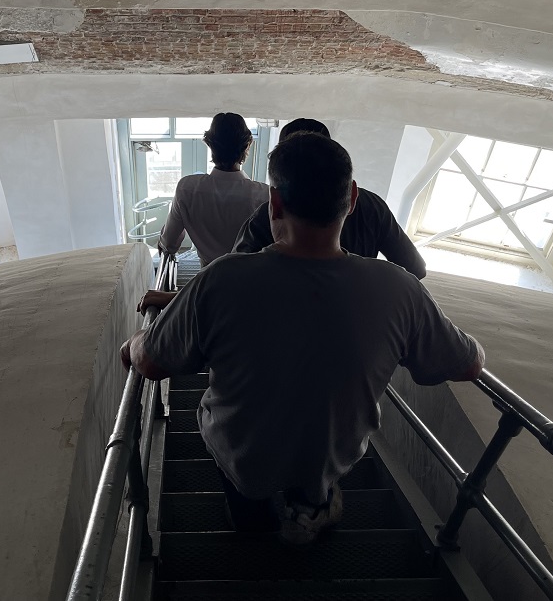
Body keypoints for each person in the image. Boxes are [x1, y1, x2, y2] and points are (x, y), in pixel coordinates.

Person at [121, 132, 484, 545]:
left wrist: (133, 343)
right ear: (352, 199)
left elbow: (151, 362)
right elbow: (469, 363)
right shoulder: (399, 289)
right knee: (318, 456)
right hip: (334, 452)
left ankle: (254, 526)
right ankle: (312, 505)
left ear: (274, 203)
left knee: (245, 492)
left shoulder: (221, 279)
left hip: (242, 453)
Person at [232, 118, 427, 279]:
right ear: (352, 195)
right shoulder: (372, 206)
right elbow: (415, 268)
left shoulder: (266, 217)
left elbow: (234, 278)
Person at [157, 112, 269, 266]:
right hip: (247, 279)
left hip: (207, 277)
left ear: (209, 144)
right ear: (248, 144)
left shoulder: (187, 188)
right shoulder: (264, 195)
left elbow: (169, 243)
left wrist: (164, 243)